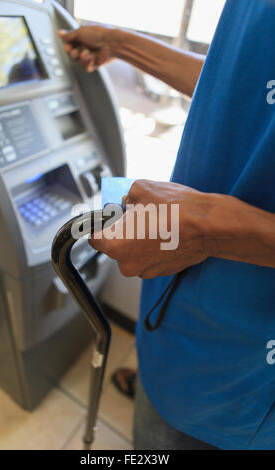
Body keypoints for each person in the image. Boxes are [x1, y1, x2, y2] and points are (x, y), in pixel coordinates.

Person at [58, 0, 275, 450]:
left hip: (243, 369)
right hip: (179, 308)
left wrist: (214, 228)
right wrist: (120, 42)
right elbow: (242, 89)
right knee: (159, 391)